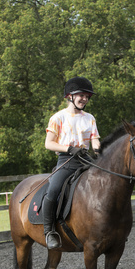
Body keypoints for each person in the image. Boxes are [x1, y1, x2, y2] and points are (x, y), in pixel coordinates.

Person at [43, 76, 101, 250]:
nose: (84, 99)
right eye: (81, 95)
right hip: (66, 160)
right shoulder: (58, 117)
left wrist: (99, 152)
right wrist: (69, 149)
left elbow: (95, 139)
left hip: (85, 159)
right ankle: (49, 231)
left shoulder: (90, 118)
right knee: (53, 190)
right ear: (70, 96)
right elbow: (49, 143)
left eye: (87, 96)